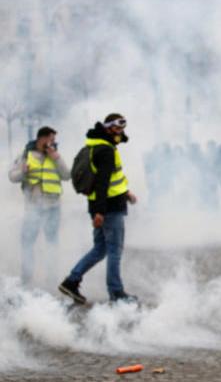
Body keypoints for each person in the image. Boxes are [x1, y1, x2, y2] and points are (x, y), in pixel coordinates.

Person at [58, 114, 138, 304]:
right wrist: (100, 212)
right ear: (108, 128)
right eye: (117, 129)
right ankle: (116, 293)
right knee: (114, 251)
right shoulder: (106, 150)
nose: (120, 133)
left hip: (101, 205)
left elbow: (111, 179)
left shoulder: (97, 145)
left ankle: (71, 281)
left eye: (122, 129)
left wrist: (126, 192)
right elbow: (102, 183)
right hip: (109, 207)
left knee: (100, 249)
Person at [7, 126, 70, 285]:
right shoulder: (27, 154)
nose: (53, 143)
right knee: (27, 242)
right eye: (51, 139)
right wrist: (23, 171)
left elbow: (67, 175)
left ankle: (52, 278)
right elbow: (12, 177)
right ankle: (26, 278)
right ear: (41, 138)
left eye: (54, 140)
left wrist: (56, 158)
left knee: (52, 244)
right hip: (33, 208)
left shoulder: (55, 155)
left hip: (53, 207)